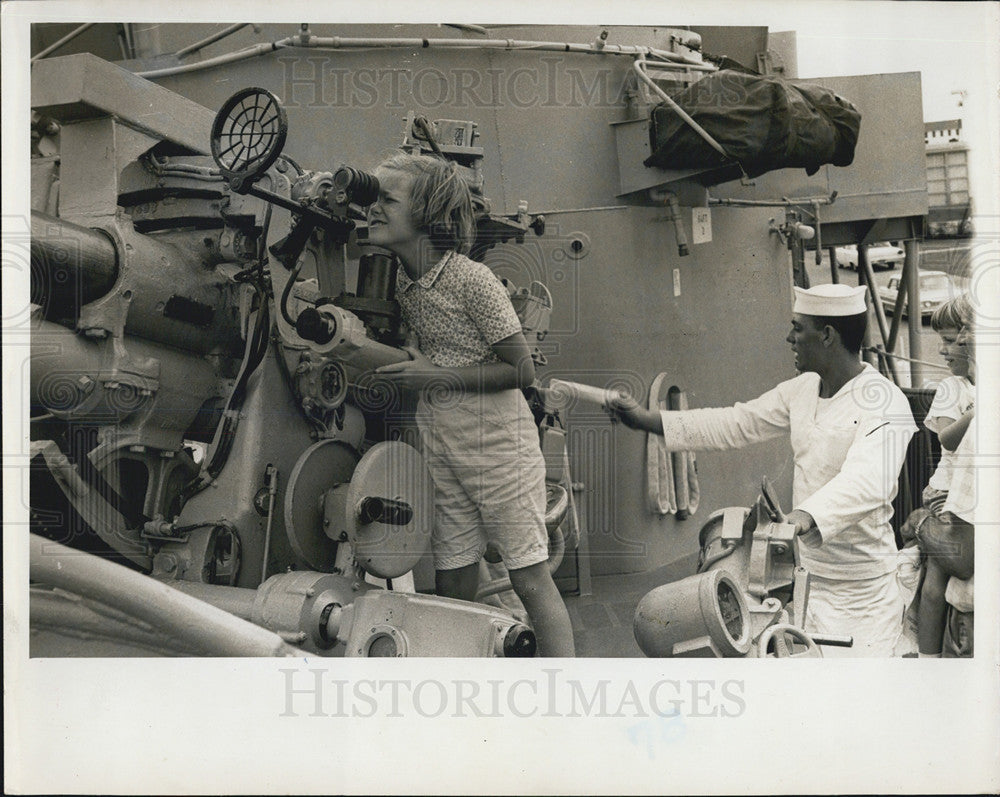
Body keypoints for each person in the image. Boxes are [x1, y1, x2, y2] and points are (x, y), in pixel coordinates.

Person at [607, 283, 917, 657]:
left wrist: (801, 518)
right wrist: (645, 420)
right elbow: (736, 422)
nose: (790, 338)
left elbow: (868, 481)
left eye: (798, 328)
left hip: (863, 591)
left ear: (827, 335)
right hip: (808, 577)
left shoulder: (885, 402)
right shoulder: (803, 389)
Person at [369, 153, 575, 657]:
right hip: (442, 437)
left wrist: (435, 375)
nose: (373, 208)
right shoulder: (400, 280)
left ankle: (567, 688)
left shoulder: (471, 279)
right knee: (453, 577)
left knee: (529, 577)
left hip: (496, 439)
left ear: (427, 216)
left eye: (387, 200)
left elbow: (521, 370)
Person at [901, 320, 976, 657]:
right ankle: (927, 657)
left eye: (951, 341)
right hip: (945, 492)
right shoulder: (952, 388)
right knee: (937, 578)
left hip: (966, 494)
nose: (943, 350)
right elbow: (946, 438)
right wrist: (976, 414)